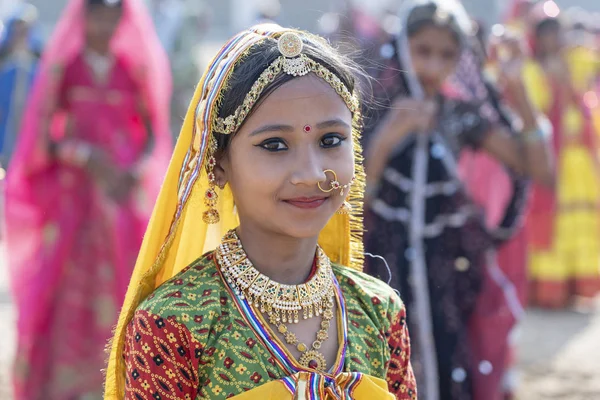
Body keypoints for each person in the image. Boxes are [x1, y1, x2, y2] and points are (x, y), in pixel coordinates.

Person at [104, 25, 417, 400]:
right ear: (218, 164)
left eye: (330, 140)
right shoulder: (176, 322)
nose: (311, 174)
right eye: (274, 145)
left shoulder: (379, 312)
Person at [363, 1, 553, 399]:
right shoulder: (371, 106)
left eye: (446, 55)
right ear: (401, 48)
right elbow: (347, 200)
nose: (432, 66)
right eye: (423, 51)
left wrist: (517, 88)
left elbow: (537, 168)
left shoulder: (455, 113)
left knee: (447, 358)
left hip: (446, 271)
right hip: (379, 268)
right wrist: (386, 138)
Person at [5, 0, 171, 398]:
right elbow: (44, 139)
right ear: (83, 16)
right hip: (75, 203)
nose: (105, 21)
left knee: (128, 287)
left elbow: (153, 133)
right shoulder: (67, 69)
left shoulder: (132, 69)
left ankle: (124, 378)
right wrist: (85, 156)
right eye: (97, 12)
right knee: (66, 291)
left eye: (113, 13)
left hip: (119, 202)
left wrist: (134, 171)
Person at [524, 3, 600, 308]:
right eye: (547, 34)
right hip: (548, 157)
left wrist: (565, 76)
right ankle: (546, 288)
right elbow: (534, 111)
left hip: (575, 158)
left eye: (557, 33)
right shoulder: (532, 70)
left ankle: (574, 283)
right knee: (548, 218)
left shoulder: (574, 62)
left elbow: (585, 78)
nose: (553, 40)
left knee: (576, 218)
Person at [0, 3, 41, 169]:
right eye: (16, 30)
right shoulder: (4, 68)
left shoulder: (37, 69)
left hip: (27, 148)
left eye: (24, 30)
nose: (20, 35)